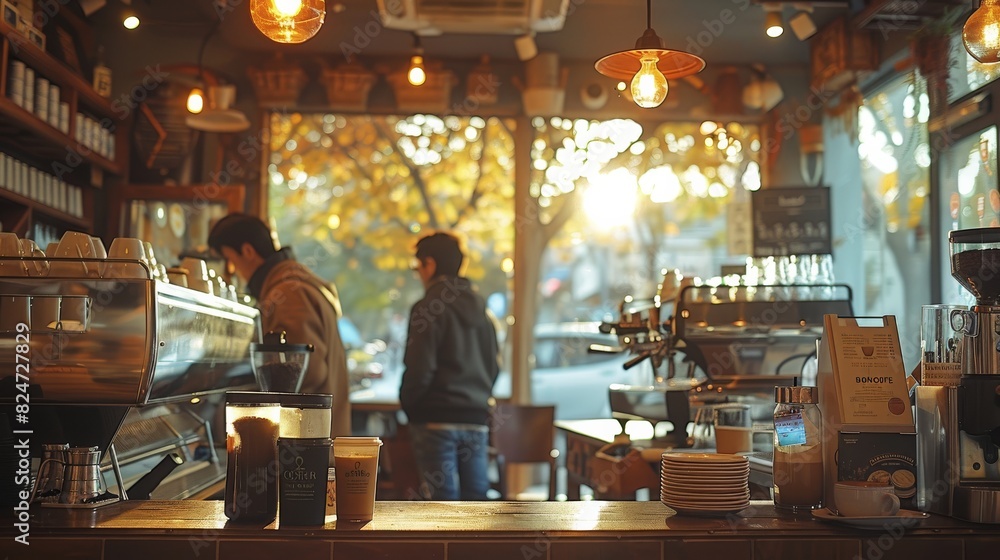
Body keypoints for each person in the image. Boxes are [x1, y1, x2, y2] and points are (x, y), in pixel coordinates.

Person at [208, 213, 351, 438]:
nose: (232, 270)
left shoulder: (287, 294)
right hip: (317, 440)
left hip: (304, 444)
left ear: (247, 251)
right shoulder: (294, 283)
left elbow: (304, 374)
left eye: (230, 259)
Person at [399, 232, 500, 500]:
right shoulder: (483, 311)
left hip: (435, 420)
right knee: (476, 509)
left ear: (429, 264)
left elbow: (420, 367)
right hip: (476, 419)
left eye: (416, 267)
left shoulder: (427, 307)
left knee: (441, 509)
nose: (417, 274)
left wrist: (410, 405)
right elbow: (494, 366)